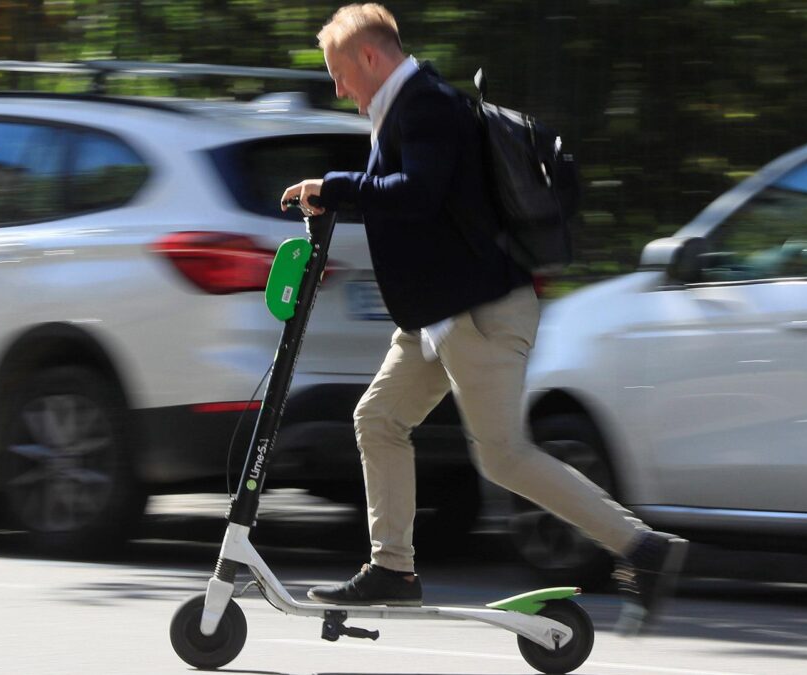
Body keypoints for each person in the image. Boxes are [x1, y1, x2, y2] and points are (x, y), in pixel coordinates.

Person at [280, 3, 687, 636]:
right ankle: (393, 568)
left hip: (481, 316)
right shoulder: (407, 108)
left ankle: (642, 548)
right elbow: (419, 202)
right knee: (379, 419)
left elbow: (416, 195)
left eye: (338, 72)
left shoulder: (428, 106)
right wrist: (335, 191)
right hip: (440, 317)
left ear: (369, 57)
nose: (337, 88)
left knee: (502, 456)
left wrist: (335, 187)